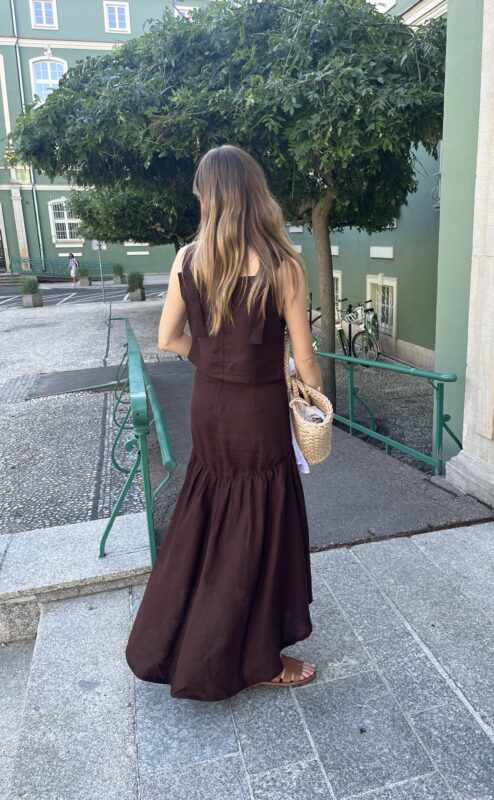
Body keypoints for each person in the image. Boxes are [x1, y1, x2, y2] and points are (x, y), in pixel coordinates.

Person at [125, 144, 323, 701]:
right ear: (256, 194)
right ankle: (257, 658)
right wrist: (317, 403)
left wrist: (214, 362)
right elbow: (305, 358)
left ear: (209, 199)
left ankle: (179, 637)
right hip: (259, 413)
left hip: (208, 406)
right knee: (258, 524)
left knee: (211, 516)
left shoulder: (188, 259)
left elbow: (168, 338)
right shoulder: (284, 265)